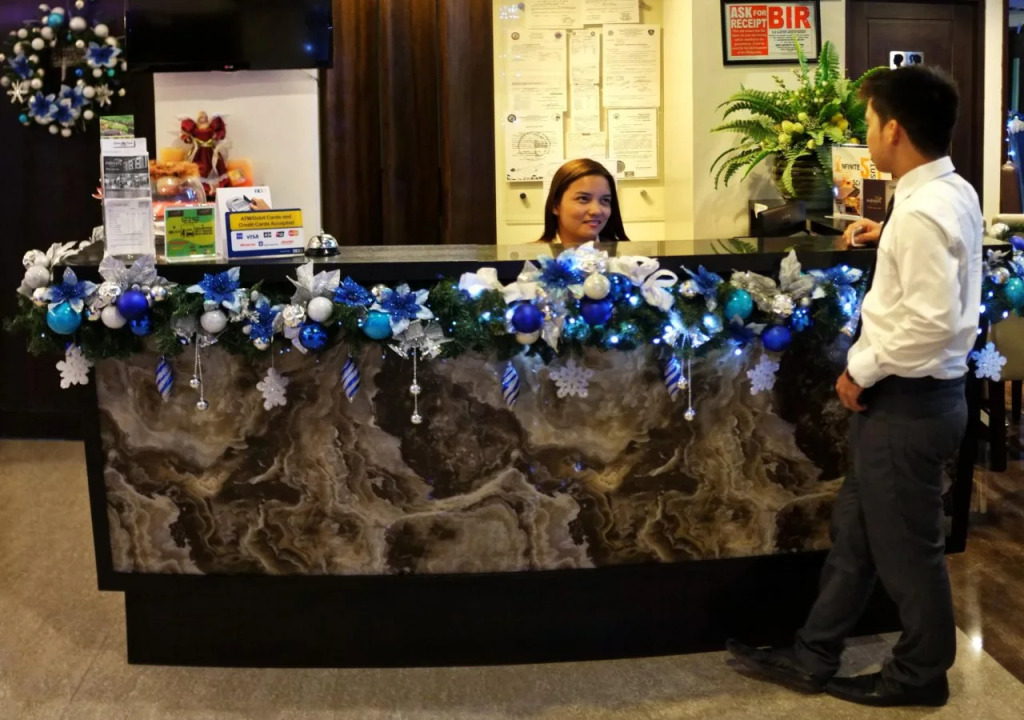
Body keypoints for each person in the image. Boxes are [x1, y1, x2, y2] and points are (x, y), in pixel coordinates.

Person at [726, 65, 982, 708]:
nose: (866, 134)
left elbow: (930, 321)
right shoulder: (949, 193)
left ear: (894, 129)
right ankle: (814, 653)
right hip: (919, 403)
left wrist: (859, 370)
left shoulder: (923, 212)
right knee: (857, 536)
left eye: (869, 122)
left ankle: (920, 675)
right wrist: (886, 234)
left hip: (907, 404)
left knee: (910, 555)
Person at [539, 158, 630, 247]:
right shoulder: (533, 254)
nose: (596, 211)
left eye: (605, 200)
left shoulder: (626, 254)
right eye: (583, 198)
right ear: (556, 206)